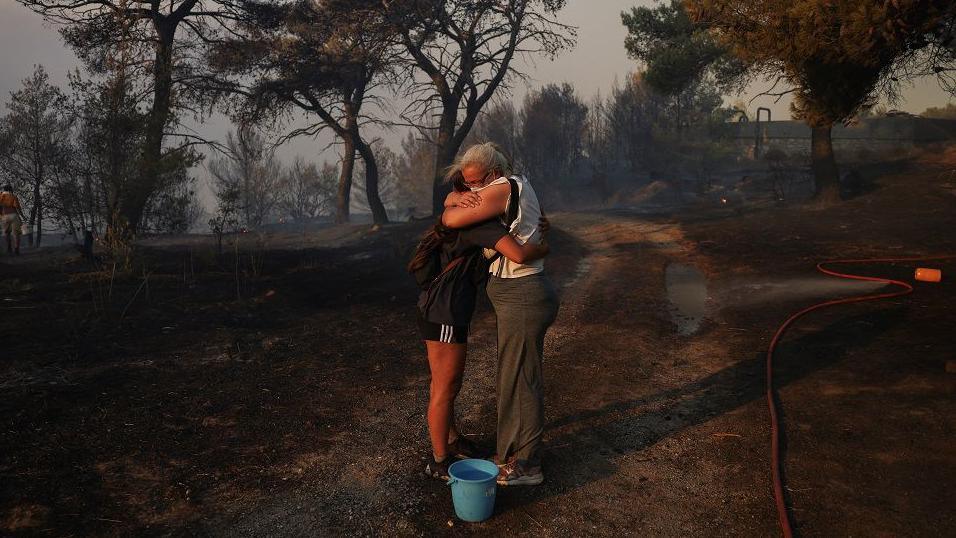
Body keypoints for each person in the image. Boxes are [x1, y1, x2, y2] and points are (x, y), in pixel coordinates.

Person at [410, 171, 551, 481]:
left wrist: (454, 199)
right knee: (446, 387)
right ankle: (439, 460)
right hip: (445, 313)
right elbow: (518, 253)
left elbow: (448, 208)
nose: (482, 194)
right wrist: (543, 247)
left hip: (437, 308)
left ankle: (450, 440)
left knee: (443, 384)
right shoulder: (480, 227)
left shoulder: (463, 217)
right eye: (476, 191)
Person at [442, 142, 560, 487]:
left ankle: (527, 464)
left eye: (476, 183)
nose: (471, 190)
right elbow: (452, 205)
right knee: (511, 376)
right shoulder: (509, 189)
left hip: (523, 294)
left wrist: (455, 202)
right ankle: (510, 453)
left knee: (522, 378)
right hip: (518, 294)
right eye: (466, 183)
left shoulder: (504, 186)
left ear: (493, 174)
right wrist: (458, 197)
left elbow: (450, 218)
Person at [0, 184, 25, 256]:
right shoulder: (13, 196)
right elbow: (17, 207)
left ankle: (9, 248)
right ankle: (16, 249)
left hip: (4, 216)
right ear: (10, 189)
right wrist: (22, 216)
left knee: (6, 233)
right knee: (16, 233)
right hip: (14, 215)